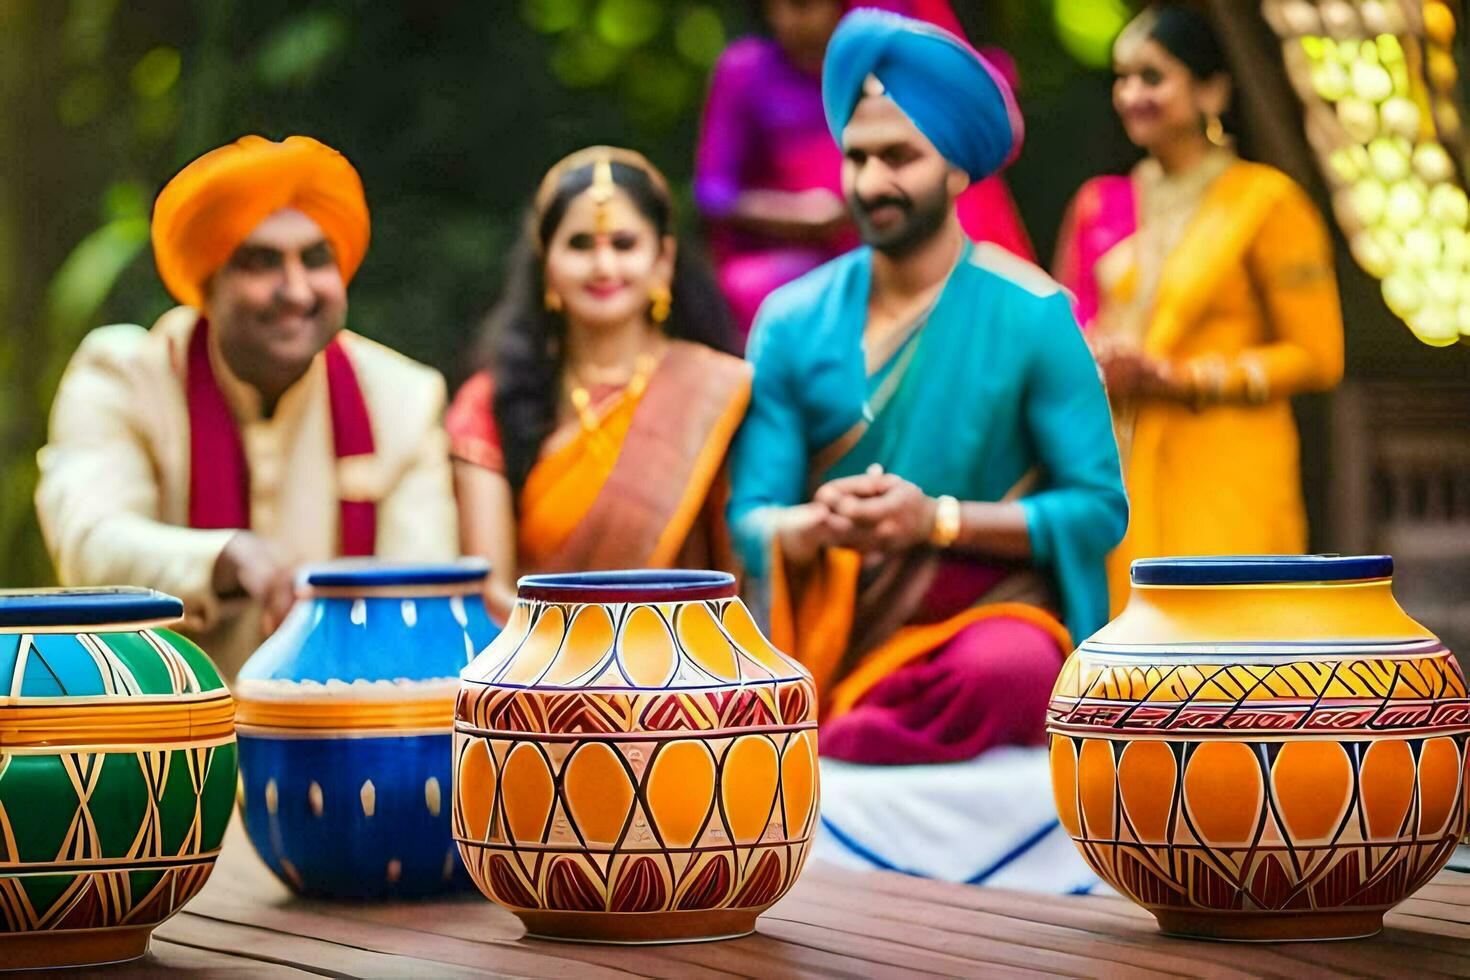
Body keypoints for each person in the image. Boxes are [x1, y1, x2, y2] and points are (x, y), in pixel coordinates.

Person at [727, 11, 1126, 766]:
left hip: (982, 621)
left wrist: (937, 521)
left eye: (899, 156)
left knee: (1008, 671)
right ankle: (839, 727)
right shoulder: (790, 321)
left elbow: (1098, 511)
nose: (871, 182)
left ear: (956, 168)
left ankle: (841, 740)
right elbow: (751, 518)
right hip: (832, 627)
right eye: (856, 157)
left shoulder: (1035, 316)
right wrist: (815, 524)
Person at [35, 135, 459, 677]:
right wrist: (225, 558)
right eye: (261, 262)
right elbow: (90, 544)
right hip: (166, 736)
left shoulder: (401, 396)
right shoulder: (123, 379)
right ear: (208, 285)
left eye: (316, 258)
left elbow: (417, 596)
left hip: (341, 727)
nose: (297, 290)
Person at [1053, 5, 1344, 612]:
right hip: (1121, 466)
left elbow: (1319, 357)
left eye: (1153, 77)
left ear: (1211, 89)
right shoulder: (1101, 204)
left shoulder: (1266, 203)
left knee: (1230, 658)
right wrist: (1096, 357)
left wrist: (1183, 377)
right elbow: (1067, 328)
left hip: (1227, 464)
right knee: (1131, 668)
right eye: (1123, 77)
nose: (1132, 94)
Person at [447, 147, 748, 621]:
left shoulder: (715, 390)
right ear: (546, 261)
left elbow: (740, 571)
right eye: (581, 244)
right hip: (539, 672)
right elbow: (489, 592)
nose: (604, 266)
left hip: (688, 673)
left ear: (663, 259)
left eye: (624, 244)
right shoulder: (490, 402)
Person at [695, 0, 1033, 337]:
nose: (786, 19)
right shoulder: (746, 71)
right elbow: (713, 193)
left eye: (802, 5)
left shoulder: (887, 60)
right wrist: (804, 217)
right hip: (813, 256)